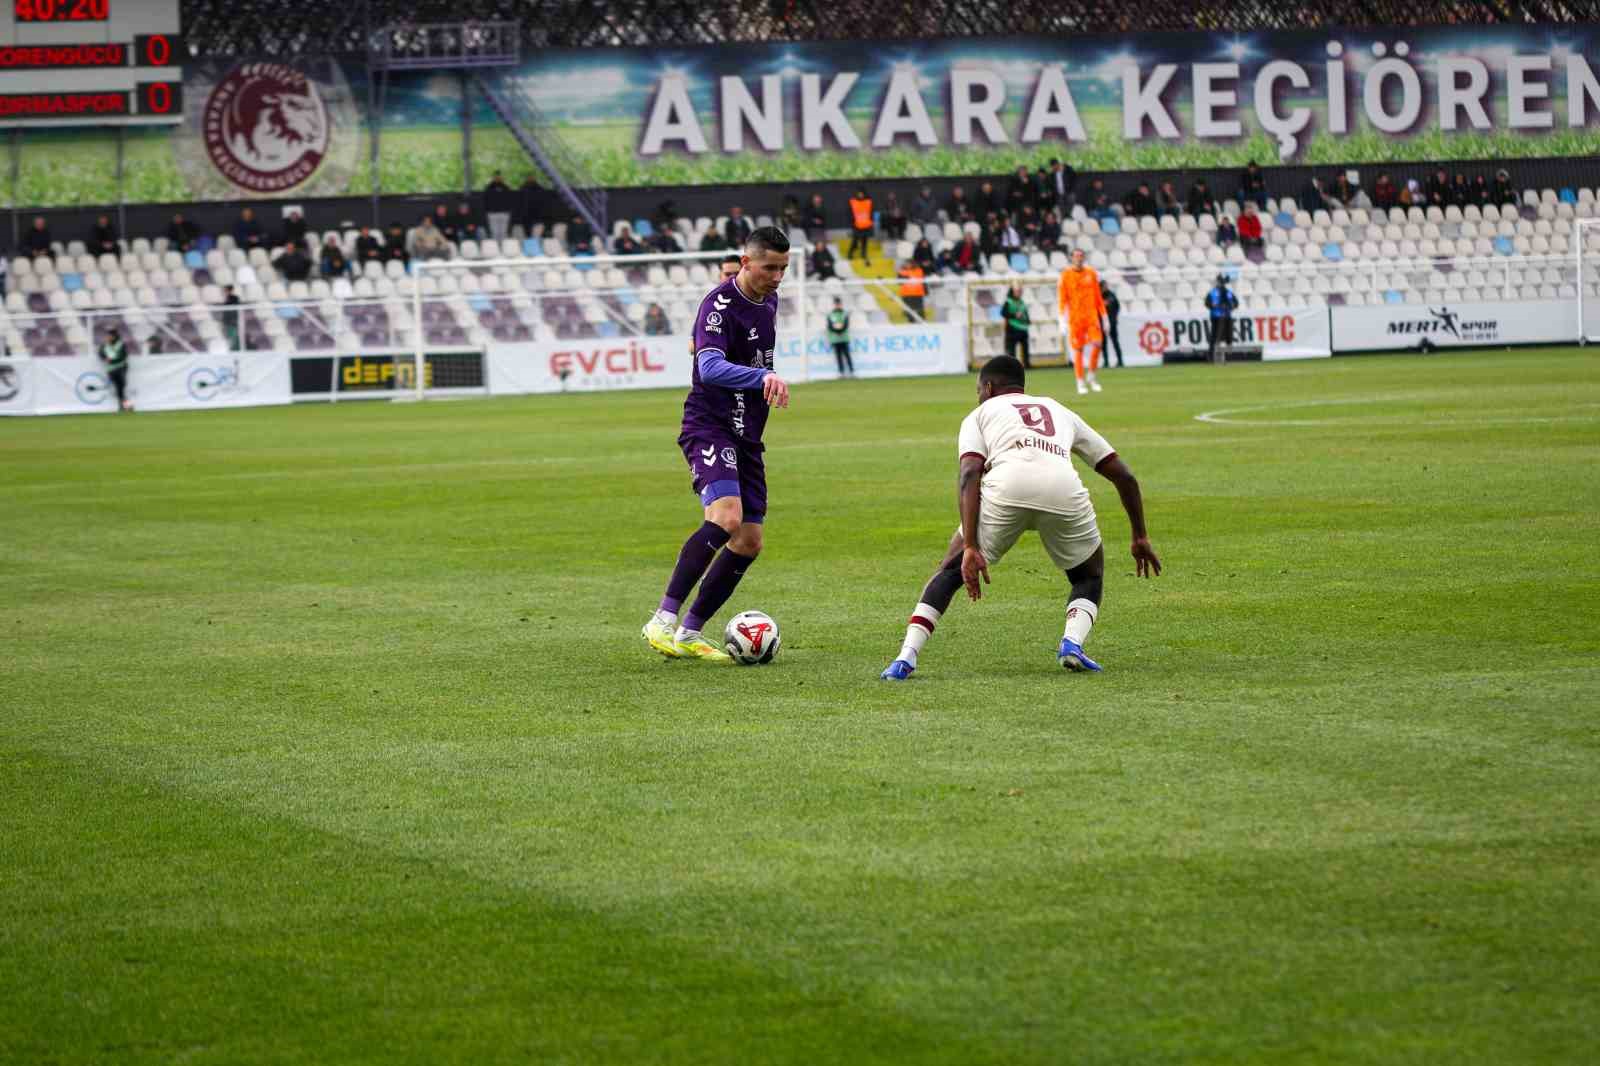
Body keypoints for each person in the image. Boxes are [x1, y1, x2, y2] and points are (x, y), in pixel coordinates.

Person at [879, 355, 1161, 680]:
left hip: (1007, 489)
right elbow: (1124, 476)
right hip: (1062, 488)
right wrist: (1139, 536)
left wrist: (970, 546)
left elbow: (970, 473)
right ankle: (1072, 644)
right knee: (1089, 575)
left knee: (950, 571)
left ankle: (905, 658)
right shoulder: (1059, 410)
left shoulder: (980, 413)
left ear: (987, 387)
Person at [641, 227, 792, 661]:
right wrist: (763, 377)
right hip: (710, 425)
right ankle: (663, 619)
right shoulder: (719, 305)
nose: (777, 277)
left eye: (783, 268)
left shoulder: (770, 300)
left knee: (749, 541)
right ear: (745, 263)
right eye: (769, 268)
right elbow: (708, 367)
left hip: (747, 435)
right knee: (726, 517)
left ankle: (689, 632)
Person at [1057, 248, 1107, 396]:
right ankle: (1080, 382)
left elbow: (1098, 297)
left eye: (1081, 256)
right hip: (1075, 319)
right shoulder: (1065, 275)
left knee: (1098, 343)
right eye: (1076, 256)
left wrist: (1104, 316)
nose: (1079, 258)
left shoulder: (1091, 273)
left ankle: (1091, 376)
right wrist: (1061, 319)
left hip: (1091, 317)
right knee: (1078, 350)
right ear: (1071, 258)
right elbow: (1062, 298)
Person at [1204, 274, 1238, 361]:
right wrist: (1213, 305)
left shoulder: (1228, 292)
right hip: (1216, 316)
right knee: (1215, 336)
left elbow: (1236, 303)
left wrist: (1231, 306)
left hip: (1227, 315)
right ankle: (1212, 355)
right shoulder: (1212, 292)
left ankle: (1228, 355)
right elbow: (1207, 303)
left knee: (1229, 335)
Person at [99, 328, 131, 411]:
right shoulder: (105, 345)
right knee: (119, 388)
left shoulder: (121, 344)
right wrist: (105, 358)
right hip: (111, 369)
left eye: (110, 335)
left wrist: (112, 360)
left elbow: (123, 356)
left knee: (121, 387)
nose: (108, 337)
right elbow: (100, 354)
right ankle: (125, 405)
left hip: (121, 368)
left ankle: (124, 405)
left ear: (114, 336)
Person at [1001, 283, 1030, 368]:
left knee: (1025, 348)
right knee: (1011, 350)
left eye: (1020, 291)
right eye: (1018, 291)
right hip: (1012, 328)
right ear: (1013, 292)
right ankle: (1012, 366)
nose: (1020, 293)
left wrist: (1028, 320)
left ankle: (1027, 364)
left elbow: (1025, 313)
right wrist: (1014, 315)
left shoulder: (1022, 302)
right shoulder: (1008, 301)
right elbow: (1003, 313)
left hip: (1023, 328)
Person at [825, 297, 853, 377]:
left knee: (847, 355)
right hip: (835, 339)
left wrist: (840, 331)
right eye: (836, 304)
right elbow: (830, 326)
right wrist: (837, 331)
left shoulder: (845, 314)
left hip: (844, 338)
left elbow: (846, 325)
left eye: (838, 304)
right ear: (834, 305)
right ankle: (841, 372)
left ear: (841, 304)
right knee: (838, 356)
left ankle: (851, 371)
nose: (837, 305)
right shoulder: (830, 314)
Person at [484, 170, 515, 241]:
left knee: (503, 232)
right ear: (493, 177)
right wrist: (488, 211)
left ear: (502, 178)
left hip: (504, 213)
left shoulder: (506, 187)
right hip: (492, 214)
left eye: (499, 176)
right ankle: (496, 248)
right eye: (496, 176)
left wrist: (509, 211)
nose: (497, 178)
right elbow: (485, 200)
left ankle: (503, 248)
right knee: (494, 233)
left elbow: (511, 199)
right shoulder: (489, 187)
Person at [1100, 282, 1123, 368]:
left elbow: (1117, 306)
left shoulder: (1111, 295)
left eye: (1106, 286)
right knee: (1103, 343)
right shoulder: (1098, 296)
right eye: (1104, 286)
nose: (1106, 287)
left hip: (1112, 322)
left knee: (1115, 342)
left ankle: (1120, 361)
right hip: (1102, 322)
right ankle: (1106, 362)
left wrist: (1114, 317)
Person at [846, 188, 873, 262]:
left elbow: (871, 212)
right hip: (856, 225)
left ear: (864, 194)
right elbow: (850, 213)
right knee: (855, 240)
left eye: (862, 193)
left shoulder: (868, 202)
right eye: (859, 193)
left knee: (864, 241)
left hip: (866, 225)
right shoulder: (853, 202)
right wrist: (852, 222)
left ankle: (863, 254)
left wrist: (871, 221)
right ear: (857, 194)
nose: (860, 195)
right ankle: (850, 253)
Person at [221, 285, 242, 350]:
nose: (225, 292)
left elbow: (235, 309)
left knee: (233, 336)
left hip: (232, 321)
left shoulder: (234, 298)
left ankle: (233, 349)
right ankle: (230, 349)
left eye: (226, 290)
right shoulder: (227, 298)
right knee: (228, 336)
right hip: (227, 321)